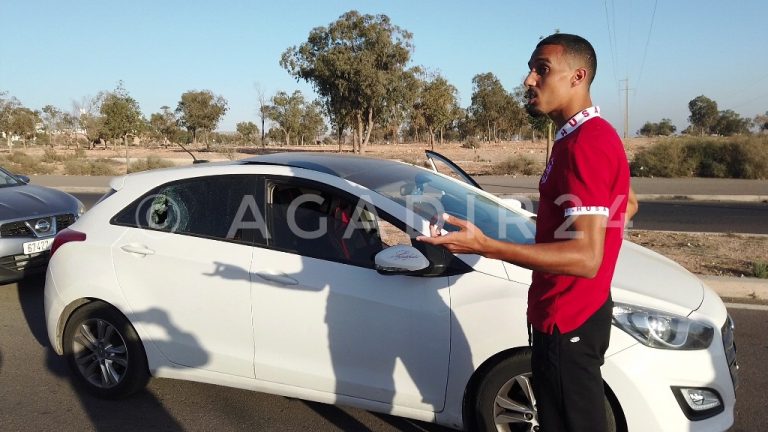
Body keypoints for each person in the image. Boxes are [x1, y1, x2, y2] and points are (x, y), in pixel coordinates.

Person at [417, 33, 637, 432]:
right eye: (532, 69)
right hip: (573, 311)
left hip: (569, 317)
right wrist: (560, 228)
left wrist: (486, 245)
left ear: (578, 76)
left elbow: (587, 259)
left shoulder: (586, 144)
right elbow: (628, 203)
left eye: (542, 69)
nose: (529, 80)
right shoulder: (583, 136)